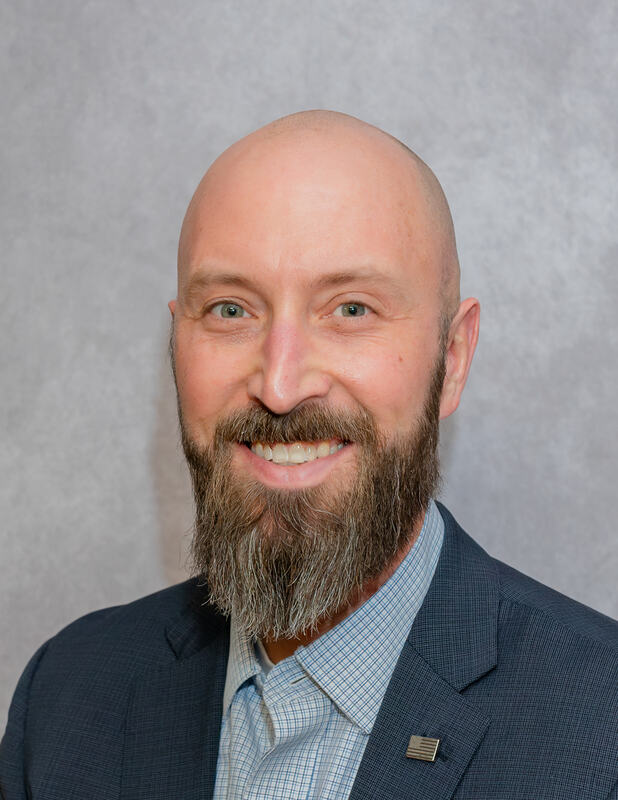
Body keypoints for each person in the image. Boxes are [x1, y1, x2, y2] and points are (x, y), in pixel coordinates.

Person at [1, 111, 617, 799]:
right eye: (232, 310)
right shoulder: (66, 700)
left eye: (351, 309)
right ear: (177, 344)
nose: (281, 384)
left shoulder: (602, 729)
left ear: (453, 355)